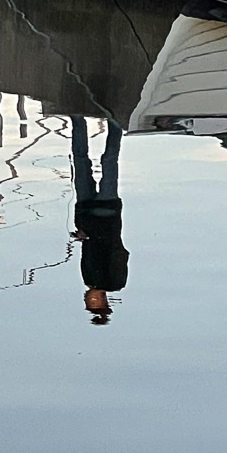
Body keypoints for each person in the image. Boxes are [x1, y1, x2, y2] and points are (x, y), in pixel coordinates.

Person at [71, 118, 128, 324]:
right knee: (109, 160)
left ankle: (77, 119)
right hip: (107, 213)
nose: (88, 297)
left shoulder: (88, 279)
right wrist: (91, 236)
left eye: (88, 301)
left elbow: (90, 248)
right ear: (103, 300)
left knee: (80, 160)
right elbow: (116, 248)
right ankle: (116, 121)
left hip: (85, 212)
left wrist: (83, 237)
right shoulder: (115, 280)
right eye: (93, 301)